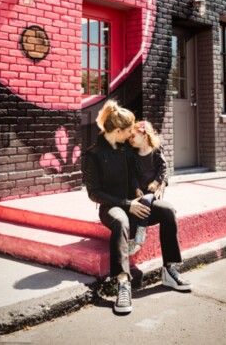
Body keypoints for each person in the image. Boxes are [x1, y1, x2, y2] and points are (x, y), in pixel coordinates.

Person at [83, 99, 192, 315]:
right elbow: (94, 194)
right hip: (112, 206)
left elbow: (156, 154)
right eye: (128, 131)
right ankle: (123, 283)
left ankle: (169, 269)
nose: (131, 135)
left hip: (139, 203)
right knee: (121, 221)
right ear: (118, 131)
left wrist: (162, 183)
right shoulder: (94, 154)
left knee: (168, 210)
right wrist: (126, 204)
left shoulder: (127, 147)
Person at [127, 120, 168, 256]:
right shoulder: (134, 155)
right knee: (134, 206)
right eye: (130, 136)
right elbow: (133, 174)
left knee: (145, 200)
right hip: (141, 189)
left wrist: (157, 183)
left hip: (152, 191)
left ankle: (140, 235)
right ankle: (131, 239)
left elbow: (163, 168)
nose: (130, 139)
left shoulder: (155, 151)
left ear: (144, 136)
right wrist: (136, 187)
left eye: (133, 136)